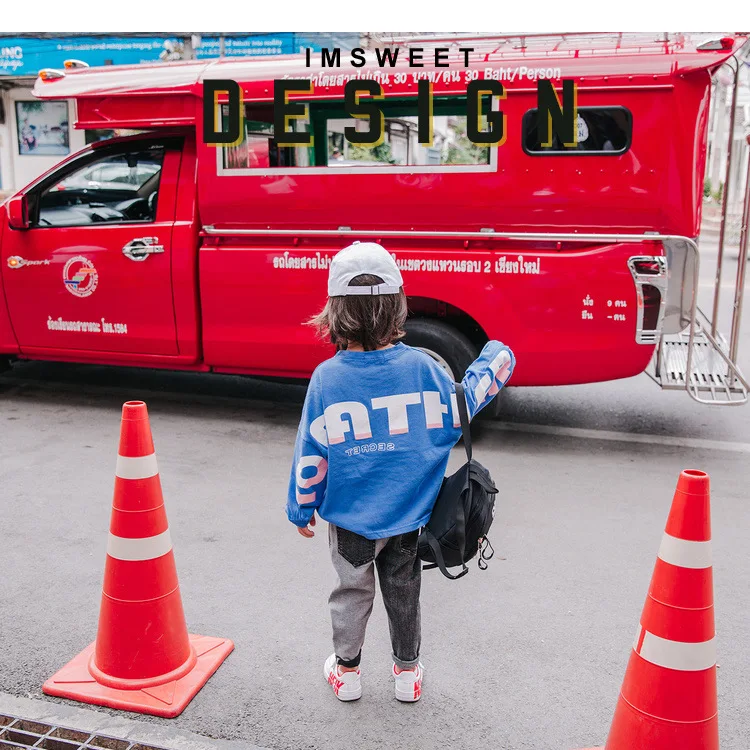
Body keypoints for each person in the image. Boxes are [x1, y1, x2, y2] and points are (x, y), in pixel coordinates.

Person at [286, 242, 515, 702]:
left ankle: (347, 673)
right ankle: (407, 674)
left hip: (350, 520)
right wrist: (499, 355)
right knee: (404, 590)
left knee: (351, 591)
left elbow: (312, 454)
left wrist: (300, 507)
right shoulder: (426, 368)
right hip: (412, 518)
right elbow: (466, 402)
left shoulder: (327, 380)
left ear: (334, 312)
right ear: (398, 306)